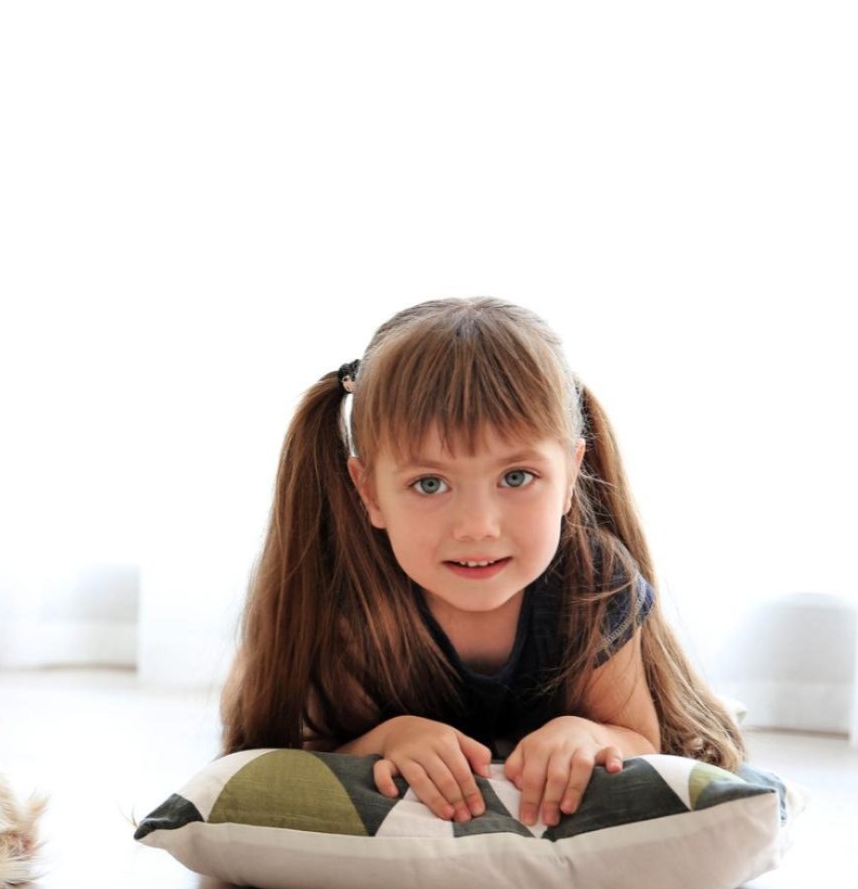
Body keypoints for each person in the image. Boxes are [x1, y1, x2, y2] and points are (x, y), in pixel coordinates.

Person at [221, 297, 744, 830]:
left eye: (516, 477)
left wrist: (588, 734)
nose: (477, 525)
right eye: (430, 483)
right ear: (369, 492)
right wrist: (388, 738)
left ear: (569, 474)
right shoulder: (348, 596)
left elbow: (638, 739)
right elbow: (307, 748)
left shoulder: (594, 581)